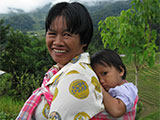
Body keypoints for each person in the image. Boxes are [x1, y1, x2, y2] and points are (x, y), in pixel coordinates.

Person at [16, 2, 104, 120]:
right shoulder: (59, 71)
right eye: (52, 33)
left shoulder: (78, 77)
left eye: (66, 34)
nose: (57, 42)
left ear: (84, 41)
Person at [90, 49, 138, 119]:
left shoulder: (128, 89)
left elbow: (117, 110)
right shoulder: (106, 91)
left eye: (104, 73)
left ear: (121, 70)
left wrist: (101, 89)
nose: (101, 80)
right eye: (97, 77)